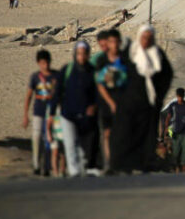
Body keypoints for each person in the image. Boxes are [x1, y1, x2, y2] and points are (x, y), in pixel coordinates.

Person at [110, 25, 173, 173]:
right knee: (128, 133)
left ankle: (144, 163)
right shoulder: (131, 53)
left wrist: (159, 96)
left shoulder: (157, 55)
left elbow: (167, 76)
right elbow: (117, 74)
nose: (146, 41)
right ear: (139, 37)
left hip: (149, 104)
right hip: (129, 103)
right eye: (144, 37)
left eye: (150, 38)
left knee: (147, 135)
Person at [50, 42, 97, 177]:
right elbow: (57, 92)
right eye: (79, 54)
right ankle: (74, 172)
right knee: (70, 144)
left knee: (82, 147)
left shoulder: (92, 71)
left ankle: (82, 170)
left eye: (84, 54)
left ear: (88, 55)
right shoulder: (67, 70)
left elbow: (98, 93)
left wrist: (94, 106)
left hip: (85, 117)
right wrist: (52, 113)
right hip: (68, 115)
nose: (81, 57)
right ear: (75, 54)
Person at [94, 29, 129, 171]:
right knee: (107, 133)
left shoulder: (125, 59)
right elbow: (100, 83)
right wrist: (110, 102)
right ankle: (109, 163)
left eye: (115, 42)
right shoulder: (101, 60)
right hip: (106, 102)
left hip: (122, 101)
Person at [23, 50, 59, 175]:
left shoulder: (56, 76)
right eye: (43, 63)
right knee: (37, 137)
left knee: (51, 139)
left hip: (53, 112)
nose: (45, 65)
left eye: (47, 62)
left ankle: (48, 166)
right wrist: (25, 115)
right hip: (38, 111)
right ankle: (36, 165)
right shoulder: (35, 77)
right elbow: (29, 96)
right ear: (38, 63)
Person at [164, 88, 185, 173]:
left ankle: (184, 167)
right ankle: (176, 167)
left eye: (181, 96)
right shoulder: (173, 106)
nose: (180, 98)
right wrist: (166, 130)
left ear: (184, 96)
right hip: (175, 132)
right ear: (177, 96)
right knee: (176, 151)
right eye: (179, 97)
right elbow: (168, 117)